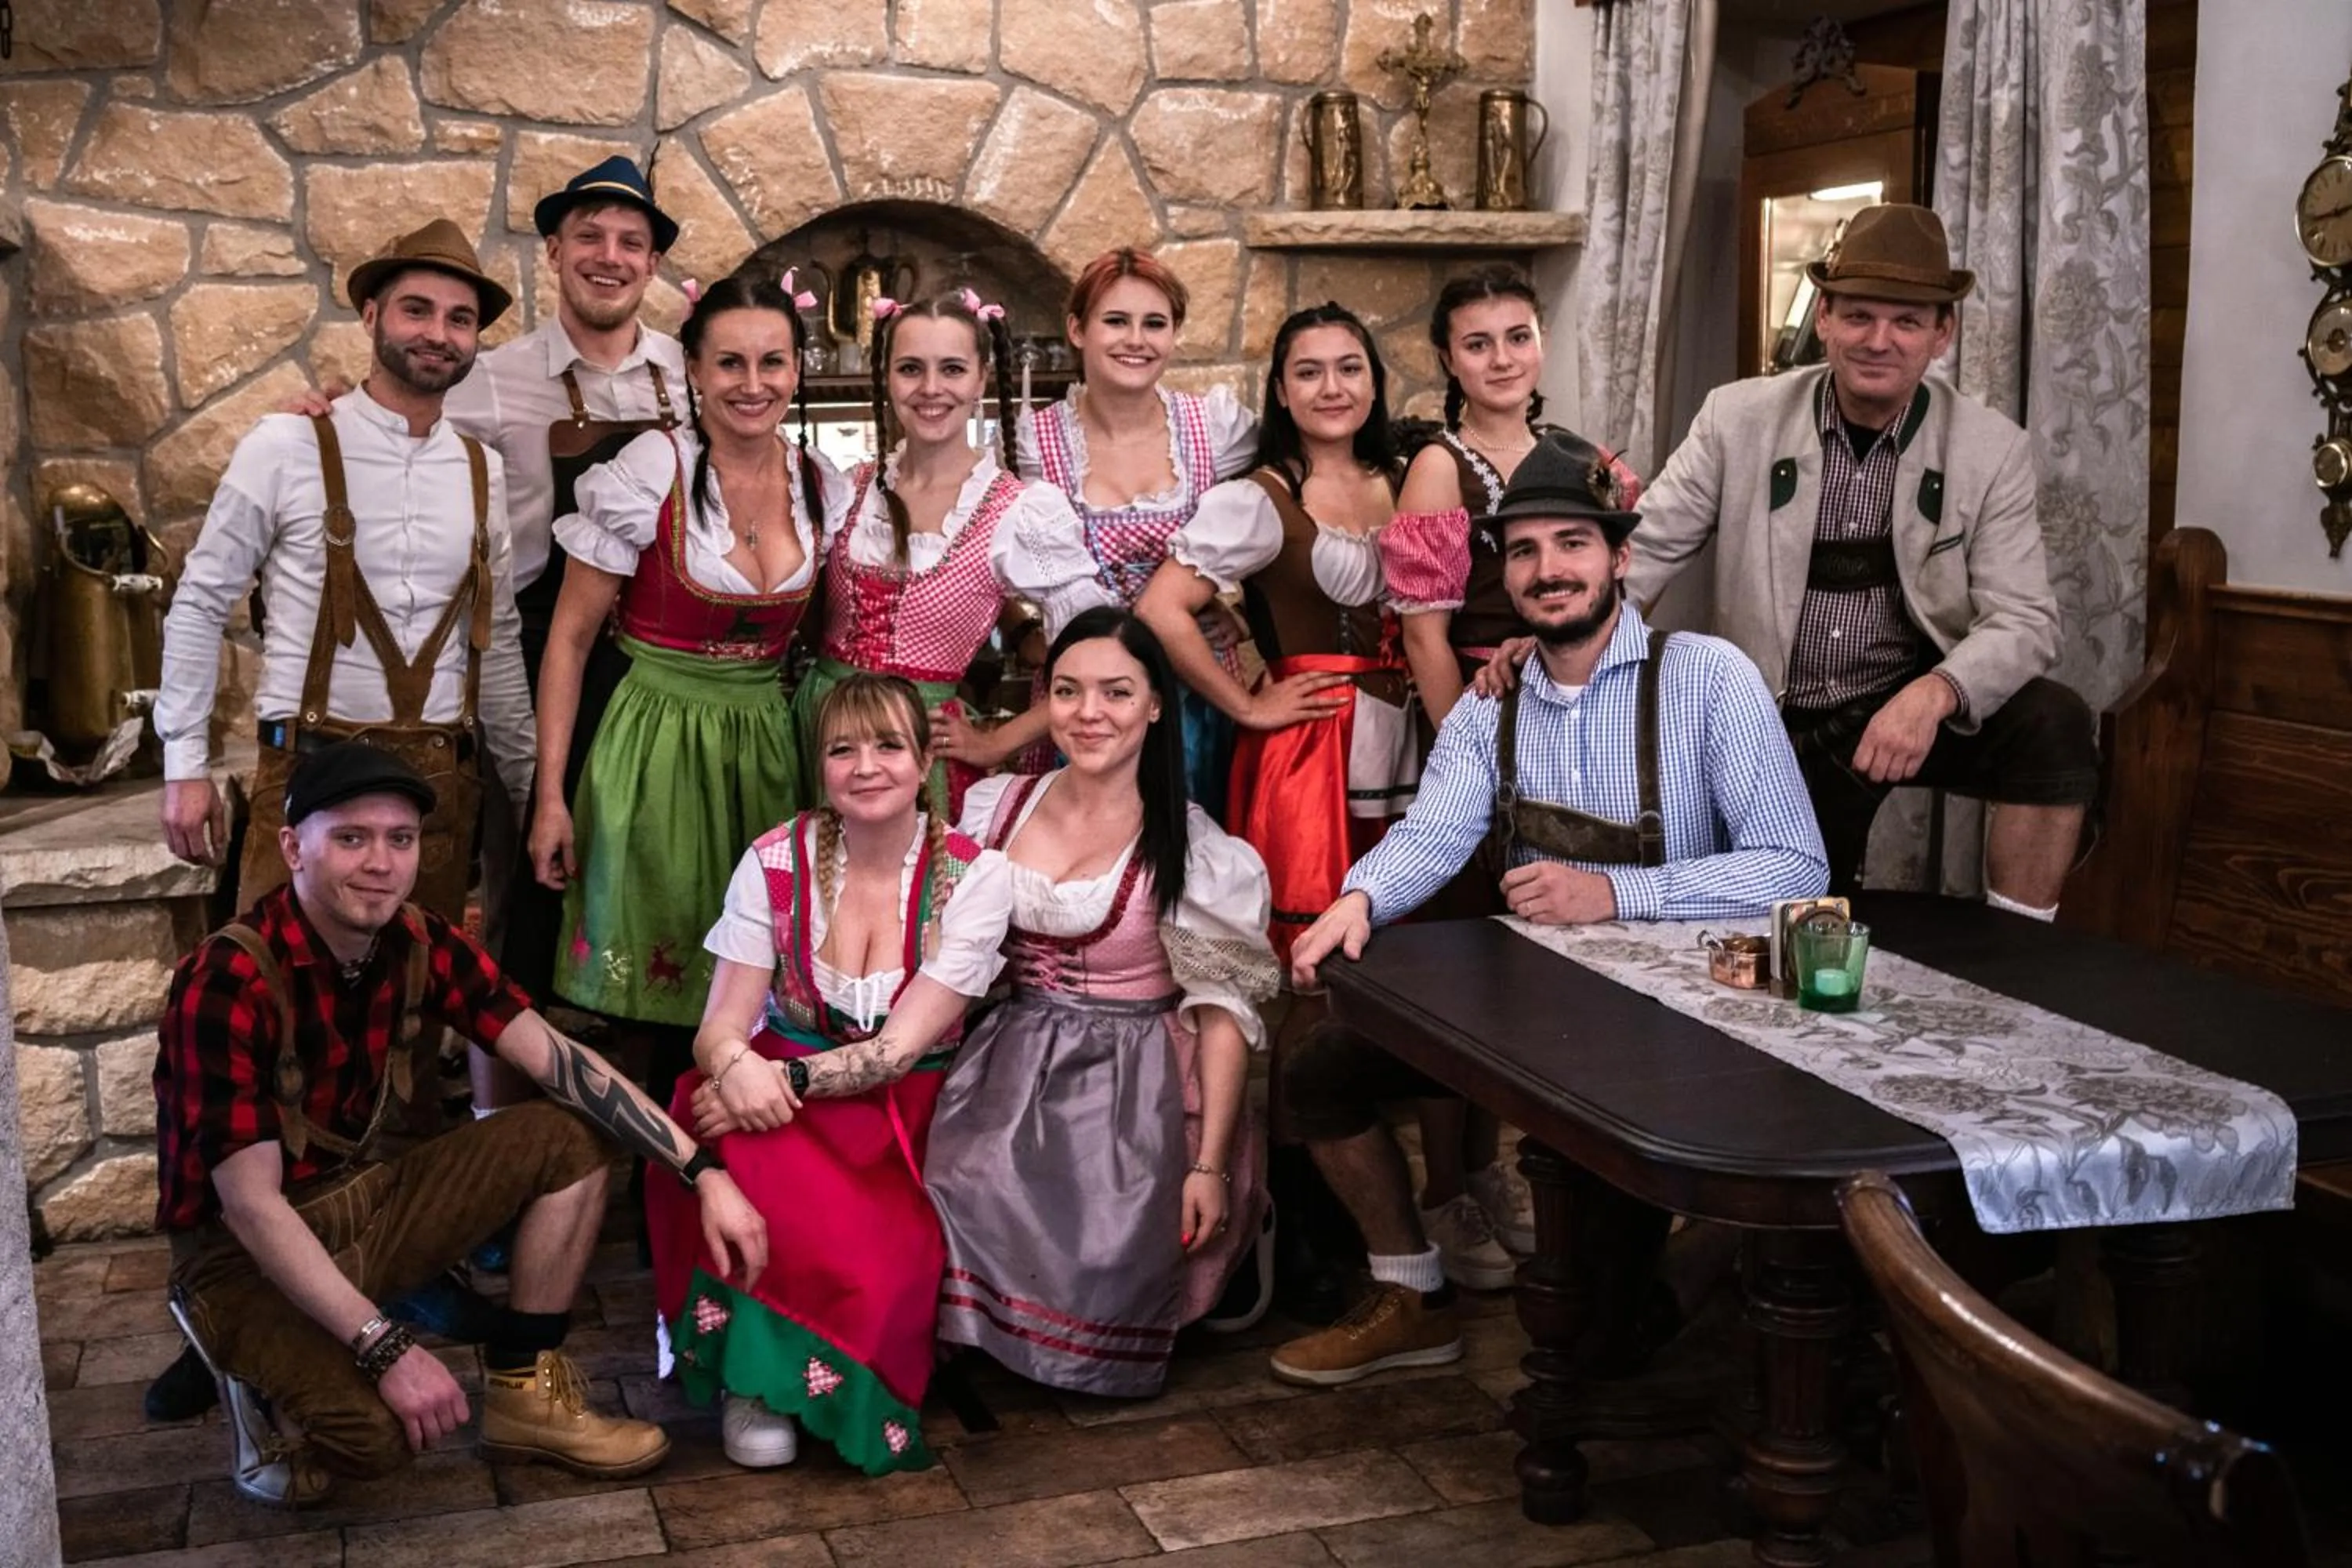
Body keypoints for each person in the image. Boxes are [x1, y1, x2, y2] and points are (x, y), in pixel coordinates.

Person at [1269, 430, 1828, 1386]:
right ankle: (1415, 1293)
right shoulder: (1495, 701)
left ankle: (1713, 1261)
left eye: (1572, 543)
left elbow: (1794, 866)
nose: (1548, 569)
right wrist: (1358, 898)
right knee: (1318, 1073)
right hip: (1541, 1012)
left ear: (1619, 556)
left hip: (1684, 1014)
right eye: (1524, 551)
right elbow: (1434, 831)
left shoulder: (1706, 678)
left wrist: (1615, 891)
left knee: (1607, 1338)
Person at [153, 742, 766, 1506]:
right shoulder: (226, 978)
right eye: (351, 837)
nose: (380, 862)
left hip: (365, 1204)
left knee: (572, 1134)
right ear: (293, 848)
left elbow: (558, 1058)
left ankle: (522, 1392)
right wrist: (383, 1346)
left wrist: (704, 1172)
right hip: (242, 1251)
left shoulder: (418, 940)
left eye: (399, 840)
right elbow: (251, 1204)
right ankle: (249, 1372)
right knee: (372, 1441)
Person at [1622, 202, 2097, 915]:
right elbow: (1645, 551)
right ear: (1823, 320)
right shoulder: (1736, 417)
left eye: (1907, 321)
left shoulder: (1990, 447)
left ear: (1943, 334)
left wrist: (1933, 696)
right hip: (1772, 715)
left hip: (1900, 703)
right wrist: (1562, 658)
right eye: (1859, 317)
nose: (1880, 340)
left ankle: (2021, 949)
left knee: (2052, 724)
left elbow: (2026, 619)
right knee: (1809, 926)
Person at [651, 674, 1012, 1475]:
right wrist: (737, 1065)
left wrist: (774, 1084)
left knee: (883, 1266)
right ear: (819, 766)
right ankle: (753, 1379)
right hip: (775, 1081)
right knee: (719, 1148)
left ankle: (826, 1378)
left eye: (888, 744)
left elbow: (894, 1051)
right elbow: (718, 1024)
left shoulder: (974, 875)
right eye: (842, 748)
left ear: (925, 759)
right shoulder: (774, 857)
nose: (866, 765)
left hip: (902, 1109)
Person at [931, 609, 1280, 1396]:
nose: (1090, 713)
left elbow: (1223, 1018)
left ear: (1157, 704)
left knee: (1101, 1235)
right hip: (1007, 1058)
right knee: (956, 1179)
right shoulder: (998, 806)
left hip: (1138, 1085)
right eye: (1068, 690)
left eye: (1117, 692)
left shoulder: (1193, 848)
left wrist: (1210, 1164)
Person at [156, 216, 534, 924]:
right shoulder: (285, 444)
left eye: (460, 319)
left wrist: (529, 783)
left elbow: (499, 637)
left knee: (418, 1013)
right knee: (278, 1006)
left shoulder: (482, 469)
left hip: (436, 793)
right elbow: (201, 602)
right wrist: (184, 767)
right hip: (307, 774)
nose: (438, 333)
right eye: (416, 309)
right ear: (370, 316)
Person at [529, 270, 845, 1112]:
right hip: (654, 744)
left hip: (767, 747)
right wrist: (550, 794)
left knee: (760, 982)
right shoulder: (649, 467)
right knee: (655, 990)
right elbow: (568, 639)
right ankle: (654, 1169)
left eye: (773, 363)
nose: (753, 384)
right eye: (730, 363)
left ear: (796, 371)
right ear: (694, 372)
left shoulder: (822, 483)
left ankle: (742, 1168)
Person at [1377, 268, 1638, 1287]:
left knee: (1532, 971)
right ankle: (1448, 1188)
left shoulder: (1584, 458)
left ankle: (1503, 1175)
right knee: (1459, 969)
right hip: (1479, 719)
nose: (1500, 358)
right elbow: (1423, 627)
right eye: (1477, 342)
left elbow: (1625, 580)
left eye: (1517, 337)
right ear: (1447, 359)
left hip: (1572, 723)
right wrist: (1469, 764)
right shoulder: (1440, 470)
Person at [444, 156, 687, 1006]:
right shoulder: (488, 378)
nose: (609, 256)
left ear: (652, 263)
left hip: (662, 662)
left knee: (653, 878)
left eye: (632, 241)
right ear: (553, 249)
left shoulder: (691, 375)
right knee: (526, 889)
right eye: (589, 236)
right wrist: (329, 409)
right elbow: (399, 426)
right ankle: (512, 1120)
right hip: (542, 648)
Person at [938, 248, 1259, 815]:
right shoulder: (1032, 444)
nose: (1136, 339)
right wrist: (1020, 635)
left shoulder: (1214, 429)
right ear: (1077, 329)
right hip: (1079, 704)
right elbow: (974, 561)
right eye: (1116, 321)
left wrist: (1238, 611)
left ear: (1174, 334)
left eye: (1154, 323)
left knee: (1196, 865)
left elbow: (1285, 515)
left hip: (1194, 696)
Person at [1139, 302, 1411, 967]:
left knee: (1406, 946)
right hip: (1309, 746)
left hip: (1408, 733)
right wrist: (1249, 706)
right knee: (1312, 954)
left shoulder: (1406, 480)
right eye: (1309, 373)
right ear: (1283, 393)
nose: (1332, 388)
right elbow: (1159, 609)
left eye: (1350, 369)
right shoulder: (1260, 498)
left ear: (1374, 382)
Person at [789, 289, 1092, 822]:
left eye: (952, 369)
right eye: (911, 368)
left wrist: (1000, 742)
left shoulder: (1016, 512)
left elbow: (1099, 648)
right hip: (821, 734)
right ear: (886, 378)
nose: (931, 389)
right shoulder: (850, 490)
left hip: (921, 748)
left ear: (980, 379)